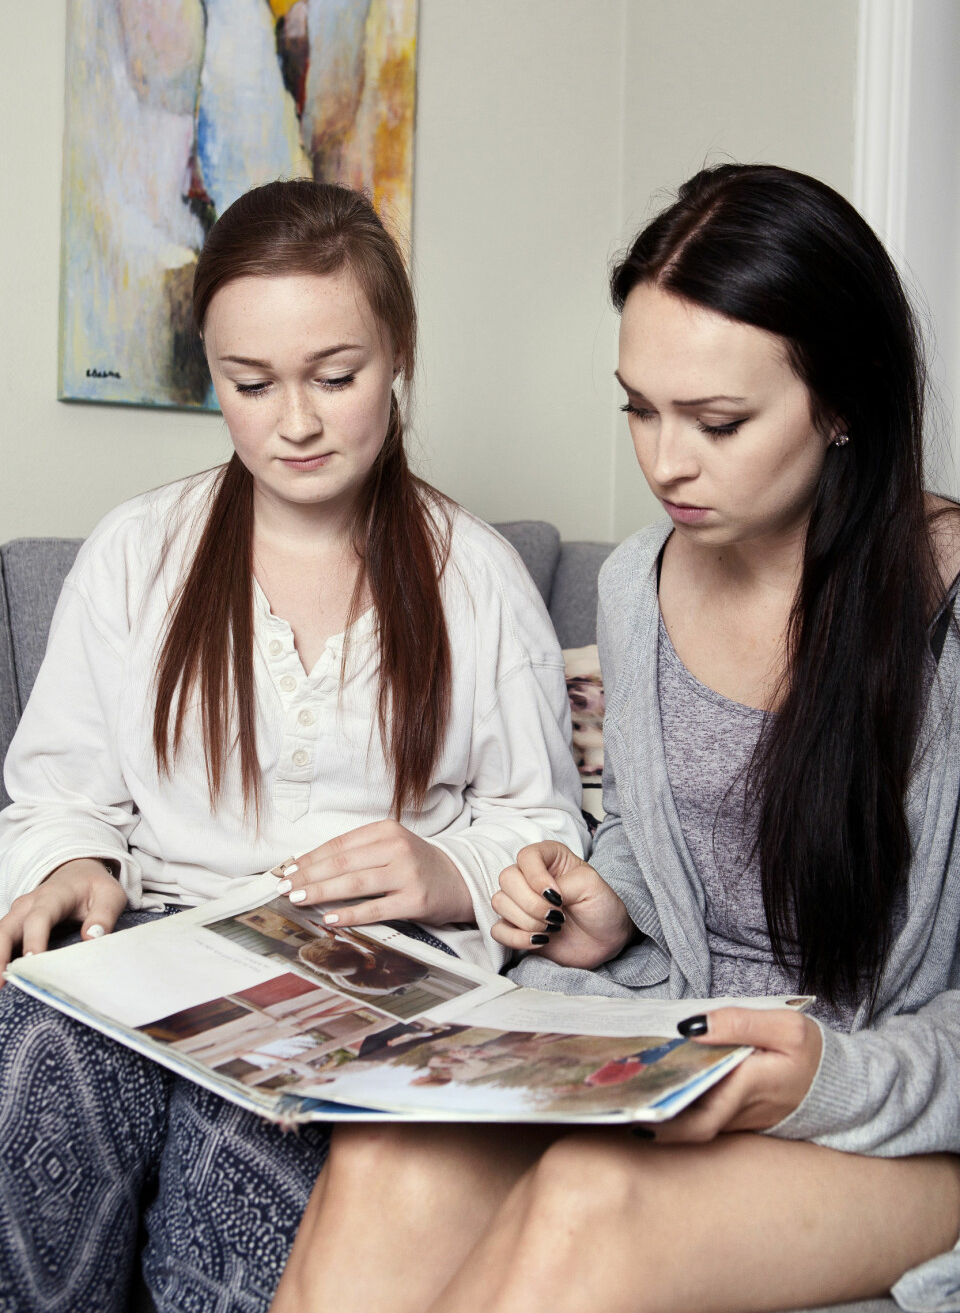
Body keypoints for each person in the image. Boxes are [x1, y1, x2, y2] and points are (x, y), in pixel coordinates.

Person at [270, 165, 960, 1313]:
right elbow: (653, 832)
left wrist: (829, 1081)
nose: (666, 461)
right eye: (639, 409)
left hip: (881, 1105)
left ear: (845, 404)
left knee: (590, 1200)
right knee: (391, 1150)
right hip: (678, 1043)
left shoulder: (945, 613)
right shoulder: (640, 585)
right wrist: (612, 903)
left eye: (718, 421)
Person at [0, 179, 587, 1313]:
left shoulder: (476, 577)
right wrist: (71, 863)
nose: (296, 422)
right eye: (251, 383)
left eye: (335, 376)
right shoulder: (136, 553)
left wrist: (446, 869)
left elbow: (541, 823)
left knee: (245, 1141)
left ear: (398, 352)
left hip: (365, 970)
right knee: (36, 1053)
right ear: (211, 377)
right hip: (155, 941)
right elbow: (61, 791)